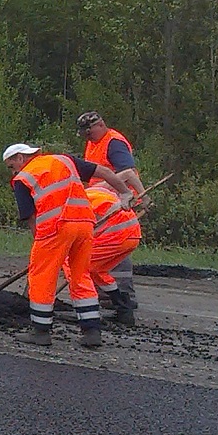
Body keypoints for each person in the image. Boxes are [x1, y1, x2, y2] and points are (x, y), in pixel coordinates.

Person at [1, 142, 132, 348]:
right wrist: (125, 193)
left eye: (12, 165)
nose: (14, 170)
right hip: (85, 224)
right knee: (81, 275)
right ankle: (91, 331)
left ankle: (41, 331)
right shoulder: (64, 160)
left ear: (20, 157)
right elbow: (105, 171)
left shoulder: (22, 179)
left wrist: (40, 245)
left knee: (42, 276)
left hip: (55, 228)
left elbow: (31, 218)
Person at [77, 110, 147, 319]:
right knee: (102, 246)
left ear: (100, 125)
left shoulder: (114, 143)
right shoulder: (94, 143)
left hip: (118, 202)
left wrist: (132, 197)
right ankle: (107, 293)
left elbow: (127, 173)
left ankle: (124, 294)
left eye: (89, 132)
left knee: (117, 244)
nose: (87, 138)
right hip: (101, 201)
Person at [76, 182, 142, 327]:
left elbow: (82, 233)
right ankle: (123, 310)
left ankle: (89, 313)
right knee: (97, 270)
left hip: (117, 235)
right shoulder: (92, 192)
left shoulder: (74, 203)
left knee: (76, 266)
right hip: (132, 235)